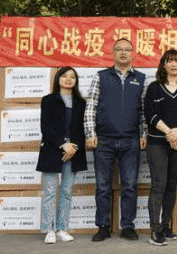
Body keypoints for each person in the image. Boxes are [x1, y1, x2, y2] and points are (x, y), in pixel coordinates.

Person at [84, 38, 147, 242]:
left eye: (127, 49)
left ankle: (127, 226)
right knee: (103, 186)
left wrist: (144, 134)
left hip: (131, 140)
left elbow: (144, 111)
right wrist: (90, 134)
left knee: (129, 186)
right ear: (112, 53)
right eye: (119, 49)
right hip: (104, 140)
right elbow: (91, 106)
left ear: (133, 54)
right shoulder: (101, 77)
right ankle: (103, 226)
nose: (123, 52)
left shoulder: (141, 79)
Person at [144, 49, 177, 245]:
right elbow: (150, 114)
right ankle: (154, 230)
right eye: (169, 61)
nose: (174, 65)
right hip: (158, 142)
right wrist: (169, 132)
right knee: (159, 184)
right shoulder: (154, 88)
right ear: (163, 65)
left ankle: (165, 226)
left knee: (171, 185)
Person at [37, 67, 87, 244]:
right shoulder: (48, 100)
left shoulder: (81, 103)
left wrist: (73, 148)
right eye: (64, 76)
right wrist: (62, 144)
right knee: (50, 192)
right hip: (52, 150)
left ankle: (61, 228)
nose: (68, 79)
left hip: (73, 152)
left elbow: (83, 129)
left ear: (76, 81)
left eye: (72, 77)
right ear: (58, 79)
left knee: (66, 192)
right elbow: (45, 127)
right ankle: (48, 229)